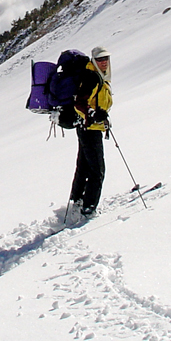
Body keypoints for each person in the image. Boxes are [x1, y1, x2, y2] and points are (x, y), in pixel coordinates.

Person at [68, 46, 113, 221]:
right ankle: (88, 209)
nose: (104, 62)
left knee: (84, 166)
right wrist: (93, 115)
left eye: (106, 59)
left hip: (86, 127)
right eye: (100, 59)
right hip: (90, 129)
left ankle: (77, 200)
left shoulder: (96, 75)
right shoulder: (92, 77)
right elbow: (80, 103)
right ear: (94, 60)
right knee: (97, 170)